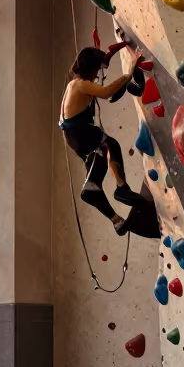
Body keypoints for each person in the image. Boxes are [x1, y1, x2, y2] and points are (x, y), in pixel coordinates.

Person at [59, 45, 145, 232]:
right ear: (91, 67)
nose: (98, 72)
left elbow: (102, 61)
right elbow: (106, 93)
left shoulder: (73, 84)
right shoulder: (81, 84)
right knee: (110, 144)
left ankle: (116, 220)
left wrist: (113, 52)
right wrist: (128, 74)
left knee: (96, 175)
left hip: (73, 136)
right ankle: (121, 187)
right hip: (79, 131)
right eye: (97, 68)